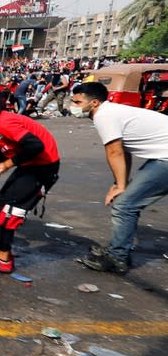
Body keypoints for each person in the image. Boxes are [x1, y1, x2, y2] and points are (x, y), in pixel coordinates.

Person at [71, 82, 168, 274]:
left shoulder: (104, 116)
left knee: (125, 205)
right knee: (127, 203)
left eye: (77, 102)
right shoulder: (112, 111)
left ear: (95, 102)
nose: (73, 106)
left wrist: (121, 186)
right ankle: (119, 250)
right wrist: (119, 183)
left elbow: (114, 152)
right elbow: (124, 151)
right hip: (162, 156)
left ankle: (117, 258)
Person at [0, 85, 60, 273]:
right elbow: (6, 152)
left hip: (42, 167)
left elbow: (34, 146)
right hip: (29, 165)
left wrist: (6, 165)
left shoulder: (3, 122)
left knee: (8, 211)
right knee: (0, 206)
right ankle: (1, 252)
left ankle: (4, 260)